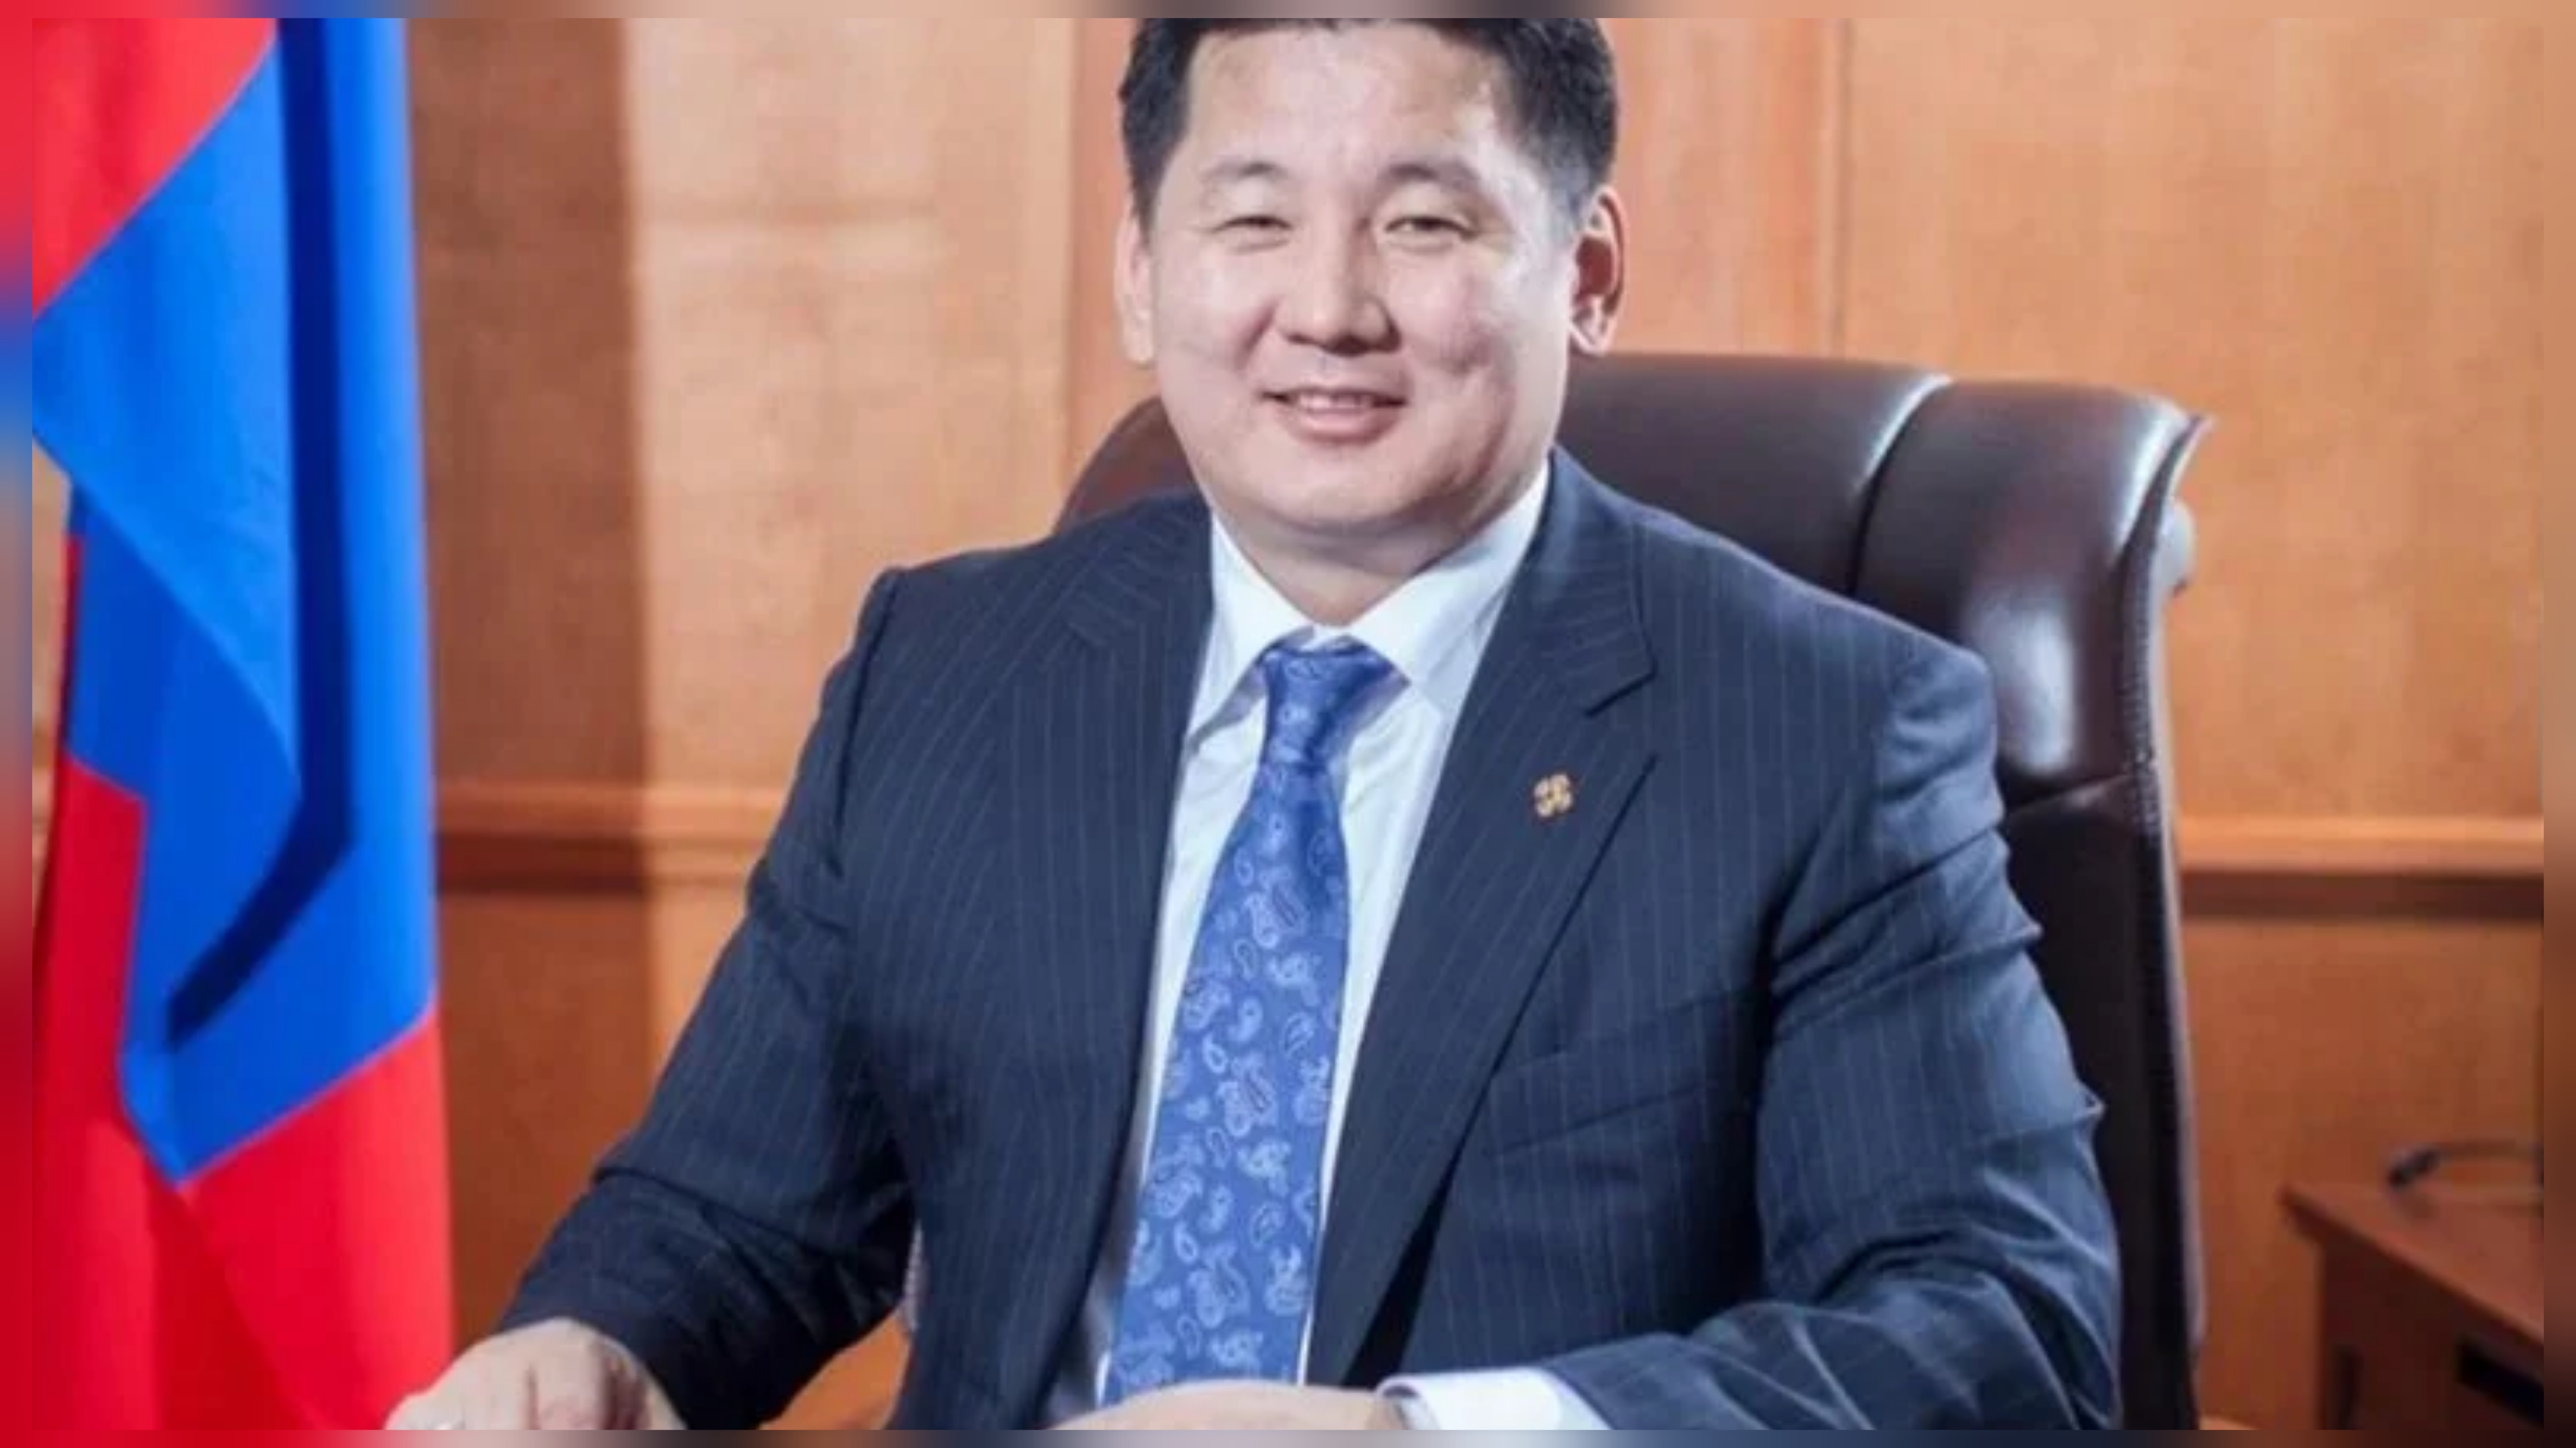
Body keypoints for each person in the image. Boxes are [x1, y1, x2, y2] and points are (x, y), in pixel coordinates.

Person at [392, 18, 2118, 1431]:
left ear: (1585, 274)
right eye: (1253, 220)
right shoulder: (949, 669)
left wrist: (1422, 1439)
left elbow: (2003, 1325)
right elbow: (732, 1214)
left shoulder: (1819, 731)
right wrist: (599, 1345)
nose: (1330, 309)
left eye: (1425, 223)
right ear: (1145, 276)